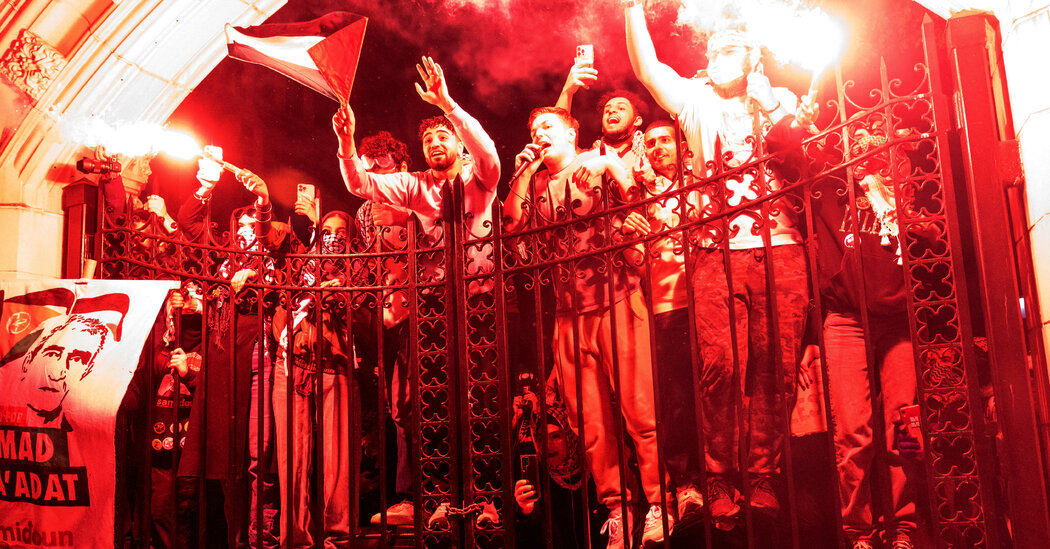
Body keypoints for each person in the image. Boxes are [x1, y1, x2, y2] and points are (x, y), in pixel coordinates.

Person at [626, 2, 812, 521]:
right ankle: (720, 475)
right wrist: (631, 8)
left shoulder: (779, 96)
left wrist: (771, 105)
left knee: (775, 366)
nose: (716, 58)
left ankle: (762, 475)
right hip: (714, 250)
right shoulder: (694, 99)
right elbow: (647, 68)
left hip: (781, 246)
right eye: (712, 51)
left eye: (728, 50)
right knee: (721, 366)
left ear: (752, 57)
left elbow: (801, 156)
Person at [333, 56, 502, 525]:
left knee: (482, 399)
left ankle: (486, 497)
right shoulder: (415, 186)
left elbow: (487, 151)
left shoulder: (479, 179)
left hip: (479, 301)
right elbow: (359, 182)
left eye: (443, 136)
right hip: (429, 307)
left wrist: (447, 106)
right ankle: (444, 496)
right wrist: (346, 143)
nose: (434, 143)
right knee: (432, 402)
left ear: (458, 147)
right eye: (428, 138)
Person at [504, 106, 669, 548]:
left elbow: (643, 207)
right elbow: (509, 227)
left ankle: (658, 502)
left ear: (572, 133)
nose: (540, 133)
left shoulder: (597, 163)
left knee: (640, 412)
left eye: (549, 126)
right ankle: (618, 509)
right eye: (534, 127)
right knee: (590, 424)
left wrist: (615, 165)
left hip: (617, 298)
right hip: (568, 315)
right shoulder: (534, 182)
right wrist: (523, 170)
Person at [768, 118, 922, 549]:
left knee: (904, 425)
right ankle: (859, 532)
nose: (869, 145)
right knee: (853, 432)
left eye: (879, 139)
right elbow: (780, 143)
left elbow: (943, 246)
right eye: (860, 138)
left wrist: (904, 210)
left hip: (899, 321)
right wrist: (794, 114)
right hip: (845, 320)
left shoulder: (909, 190)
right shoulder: (831, 185)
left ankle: (903, 528)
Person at [177, 156, 291, 549]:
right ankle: (235, 538)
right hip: (222, 351)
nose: (244, 229)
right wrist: (206, 184)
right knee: (225, 455)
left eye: (252, 225)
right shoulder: (221, 253)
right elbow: (189, 224)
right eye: (238, 225)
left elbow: (268, 231)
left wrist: (261, 200)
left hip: (257, 346)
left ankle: (262, 532)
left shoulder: (271, 248)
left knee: (257, 451)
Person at [620, 119, 705, 522]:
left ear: (680, 147)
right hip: (667, 308)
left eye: (665, 141)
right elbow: (633, 261)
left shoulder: (700, 184)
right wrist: (634, 237)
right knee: (676, 402)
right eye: (650, 143)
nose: (657, 148)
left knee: (715, 394)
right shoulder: (638, 198)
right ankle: (686, 484)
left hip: (708, 300)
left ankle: (725, 479)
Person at [272, 210, 356, 548]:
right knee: (292, 457)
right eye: (326, 230)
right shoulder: (298, 264)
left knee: (336, 459)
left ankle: (337, 535)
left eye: (340, 232)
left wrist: (340, 294)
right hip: (291, 363)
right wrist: (266, 201)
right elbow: (273, 234)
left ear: (350, 238)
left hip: (333, 366)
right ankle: (295, 538)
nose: (333, 237)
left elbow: (365, 320)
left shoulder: (360, 268)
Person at [354, 131, 417, 526]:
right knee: (399, 406)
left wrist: (405, 217)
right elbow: (370, 262)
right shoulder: (363, 212)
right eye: (369, 166)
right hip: (390, 316)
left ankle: (442, 490)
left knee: (428, 402)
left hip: (428, 308)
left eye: (381, 164)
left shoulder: (415, 193)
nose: (375, 172)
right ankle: (408, 495)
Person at [14, 314, 109, 429]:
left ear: (86, 372)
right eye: (52, 353)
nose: (58, 375)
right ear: (28, 361)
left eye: (77, 359)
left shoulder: (78, 432)